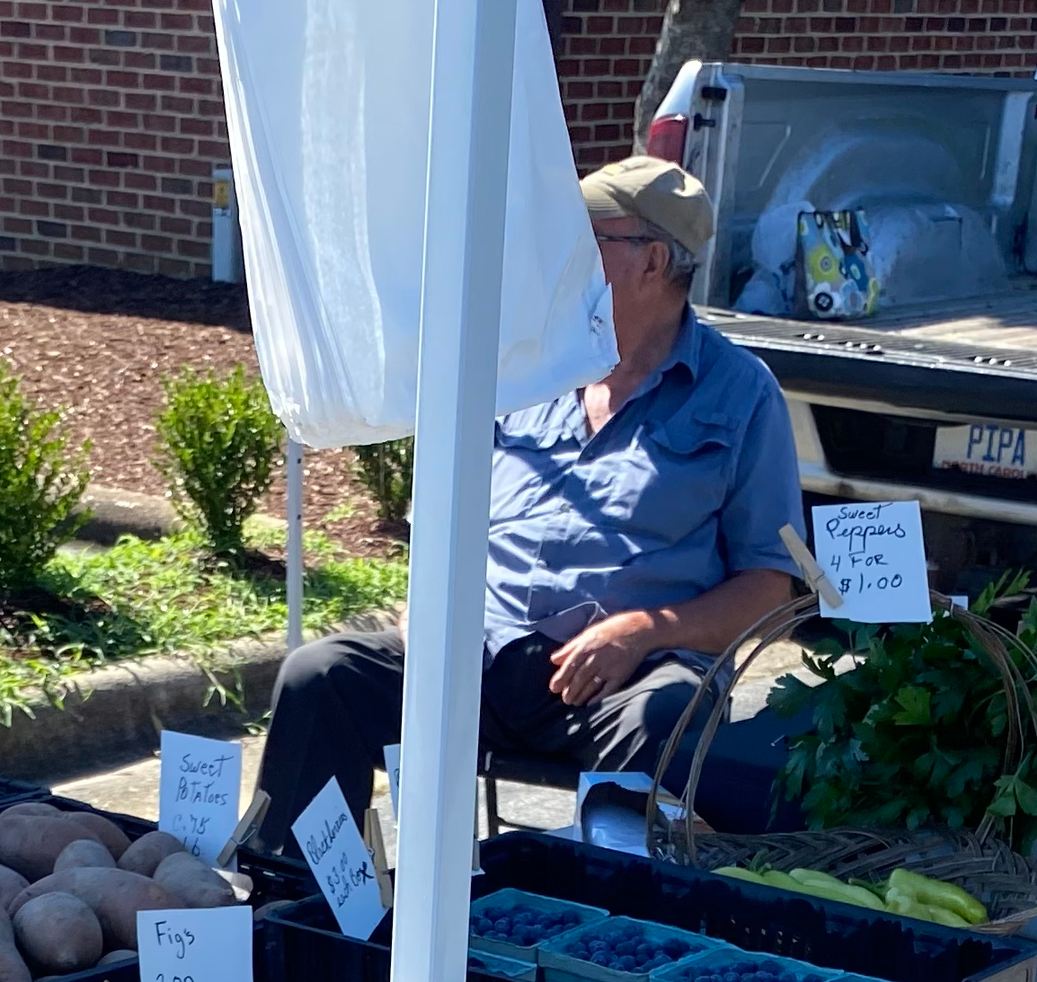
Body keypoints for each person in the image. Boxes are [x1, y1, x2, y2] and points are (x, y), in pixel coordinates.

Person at [245, 155, 806, 863]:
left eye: (587, 238)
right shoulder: (523, 367)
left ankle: (602, 937)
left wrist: (641, 631)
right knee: (322, 675)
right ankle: (297, 906)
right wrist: (427, 615)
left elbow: (768, 588)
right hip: (474, 662)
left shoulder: (741, 393)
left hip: (627, 682)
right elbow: (443, 524)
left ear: (653, 261)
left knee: (667, 724)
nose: (558, 257)